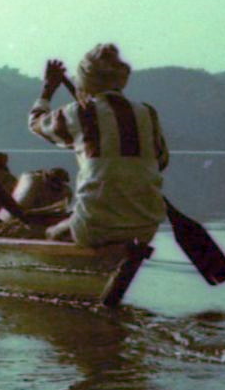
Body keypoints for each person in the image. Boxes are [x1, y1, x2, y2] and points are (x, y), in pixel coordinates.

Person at [28, 43, 169, 246]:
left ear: (85, 81)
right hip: (146, 227)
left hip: (95, 226)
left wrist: (48, 89)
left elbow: (36, 123)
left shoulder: (77, 113)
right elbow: (161, 162)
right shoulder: (147, 113)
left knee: (50, 233)